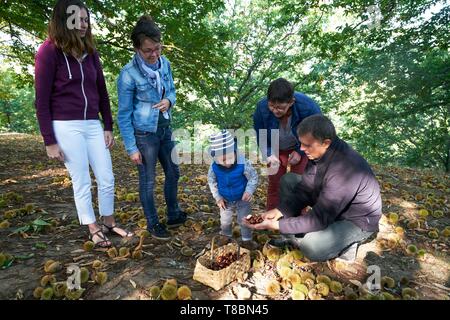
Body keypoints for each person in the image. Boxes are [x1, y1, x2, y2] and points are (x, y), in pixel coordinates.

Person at [34, 0, 132, 248]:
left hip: (92, 125)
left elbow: (101, 91)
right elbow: (42, 100)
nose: (83, 24)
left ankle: (109, 221)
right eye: (77, 19)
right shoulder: (48, 52)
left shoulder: (91, 53)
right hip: (65, 126)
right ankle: (92, 226)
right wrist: (49, 141)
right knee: (82, 180)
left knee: (107, 176)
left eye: (86, 20)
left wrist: (107, 126)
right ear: (62, 21)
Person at [243, 115, 382, 262]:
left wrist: (277, 225)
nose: (302, 149)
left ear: (326, 143)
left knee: (312, 247)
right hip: (331, 203)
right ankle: (292, 235)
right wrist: (280, 211)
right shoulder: (318, 153)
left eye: (307, 145)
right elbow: (305, 189)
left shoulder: (344, 169)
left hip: (355, 220)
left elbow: (320, 218)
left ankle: (347, 243)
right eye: (301, 143)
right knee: (289, 180)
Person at [117, 15, 186, 240]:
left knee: (174, 172)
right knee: (148, 181)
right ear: (137, 48)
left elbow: (172, 90)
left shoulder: (164, 63)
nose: (155, 54)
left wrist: (170, 101)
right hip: (144, 135)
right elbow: (124, 114)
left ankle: (173, 214)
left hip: (165, 128)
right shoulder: (128, 75)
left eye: (158, 48)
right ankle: (153, 223)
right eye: (148, 50)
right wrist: (131, 147)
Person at [253, 78, 321, 211]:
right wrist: (268, 153)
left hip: (300, 146)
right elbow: (260, 134)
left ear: (291, 102)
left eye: (281, 107)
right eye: (272, 106)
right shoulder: (261, 108)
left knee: (298, 183)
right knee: (275, 182)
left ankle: (296, 221)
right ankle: (271, 218)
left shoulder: (308, 106)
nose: (275, 110)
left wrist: (301, 151)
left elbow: (317, 131)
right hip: (275, 146)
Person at [207, 130, 259, 250]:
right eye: (222, 160)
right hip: (225, 199)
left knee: (245, 219)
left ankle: (247, 240)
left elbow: (253, 177)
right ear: (215, 158)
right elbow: (212, 181)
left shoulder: (243, 163)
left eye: (230, 157)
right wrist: (218, 197)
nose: (227, 162)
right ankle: (226, 237)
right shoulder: (214, 167)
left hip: (242, 197)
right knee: (225, 220)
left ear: (235, 152)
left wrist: (249, 191)